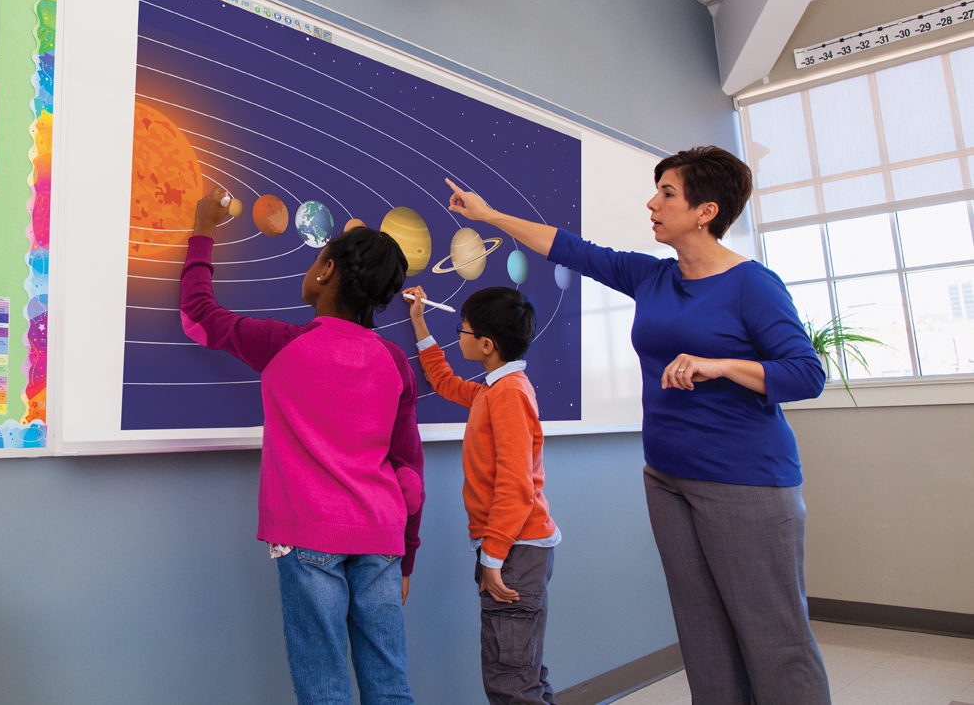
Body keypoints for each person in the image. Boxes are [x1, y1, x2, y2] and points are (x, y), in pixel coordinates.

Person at [442, 146, 830, 705]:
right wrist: (488, 216)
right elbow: (570, 249)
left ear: (706, 211)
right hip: (667, 477)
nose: (652, 203)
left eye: (667, 193)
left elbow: (806, 373)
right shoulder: (652, 276)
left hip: (746, 481)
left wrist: (721, 365)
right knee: (703, 635)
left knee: (774, 638)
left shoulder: (752, 284)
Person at [181, 185, 425, 705]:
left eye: (316, 260)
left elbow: (197, 315)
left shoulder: (281, 344)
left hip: (308, 536)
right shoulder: (395, 363)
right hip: (383, 538)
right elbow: (409, 474)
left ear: (327, 270)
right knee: (390, 685)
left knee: (324, 689)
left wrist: (202, 231)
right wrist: (406, 559)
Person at [404, 284, 559, 705]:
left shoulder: (508, 395)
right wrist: (419, 323)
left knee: (510, 681)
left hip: (513, 550)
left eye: (463, 329)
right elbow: (445, 382)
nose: (459, 335)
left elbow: (516, 485)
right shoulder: (494, 391)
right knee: (522, 671)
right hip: (514, 548)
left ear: (487, 345)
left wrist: (492, 558)